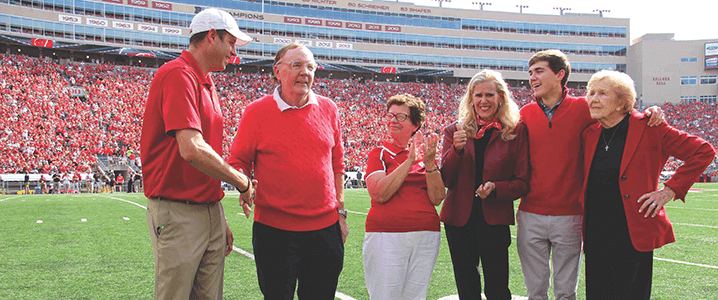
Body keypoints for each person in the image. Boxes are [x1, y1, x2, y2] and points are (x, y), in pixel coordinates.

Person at [517, 49, 664, 300]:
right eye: (530, 72)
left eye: (539, 71)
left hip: (571, 214)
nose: (532, 77)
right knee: (535, 292)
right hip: (531, 212)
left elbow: (621, 115)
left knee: (566, 292)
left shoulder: (586, 107)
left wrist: (650, 112)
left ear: (560, 74)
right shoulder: (525, 113)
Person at [139, 8, 255, 300]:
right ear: (211, 36)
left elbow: (205, 153)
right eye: (230, 42)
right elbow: (191, 148)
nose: (233, 52)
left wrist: (217, 216)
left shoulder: (204, 79)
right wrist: (242, 181)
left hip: (205, 208)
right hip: (178, 209)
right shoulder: (179, 74)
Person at [580, 70, 715, 299]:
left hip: (632, 230)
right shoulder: (589, 133)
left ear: (622, 102)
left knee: (630, 293)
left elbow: (703, 151)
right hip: (596, 231)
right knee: (597, 293)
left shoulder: (650, 127)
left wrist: (669, 190)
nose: (593, 98)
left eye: (602, 93)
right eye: (591, 93)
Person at [227, 42, 348, 299]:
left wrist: (341, 213)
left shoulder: (329, 109)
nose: (305, 72)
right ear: (278, 71)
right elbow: (238, 159)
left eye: (310, 66)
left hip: (325, 230)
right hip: (274, 232)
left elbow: (338, 164)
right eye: (296, 65)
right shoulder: (256, 111)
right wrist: (243, 184)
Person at [440, 70, 530, 299]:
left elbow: (522, 182)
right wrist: (456, 151)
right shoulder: (454, 130)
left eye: (489, 95)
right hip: (459, 219)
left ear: (501, 97)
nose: (483, 101)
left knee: (498, 287)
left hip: (494, 218)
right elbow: (446, 179)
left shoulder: (515, 131)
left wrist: (496, 188)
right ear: (470, 98)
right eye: (478, 95)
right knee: (466, 286)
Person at [363, 94, 446, 299]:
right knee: (385, 294)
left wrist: (429, 165)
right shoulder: (379, 153)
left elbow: (437, 197)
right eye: (390, 115)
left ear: (416, 124)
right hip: (387, 233)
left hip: (426, 234)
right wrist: (409, 161)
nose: (393, 120)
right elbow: (380, 193)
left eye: (400, 117)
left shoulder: (425, 156)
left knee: (415, 295)